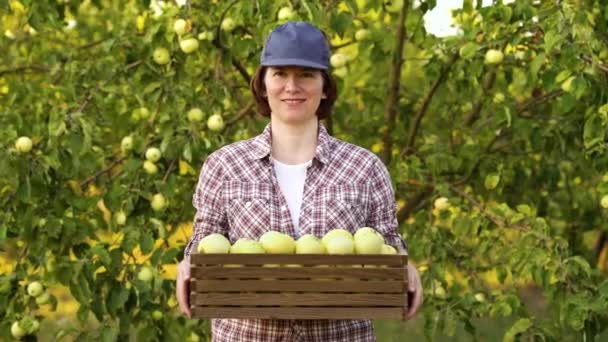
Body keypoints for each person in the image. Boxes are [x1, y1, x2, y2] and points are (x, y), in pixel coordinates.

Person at [176, 21, 422, 341]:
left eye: (306, 75)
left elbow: (387, 246)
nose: (292, 86)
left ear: (325, 87)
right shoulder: (224, 166)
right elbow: (206, 241)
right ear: (263, 84)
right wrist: (189, 263)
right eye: (280, 74)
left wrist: (406, 267)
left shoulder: (365, 167)